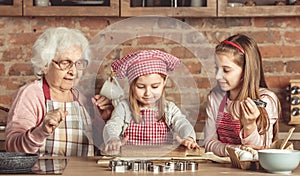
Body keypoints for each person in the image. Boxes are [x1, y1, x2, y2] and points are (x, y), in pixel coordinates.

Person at [5, 27, 113, 156]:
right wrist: (41, 131)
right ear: (45, 65)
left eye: (78, 63)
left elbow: (93, 148)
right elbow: (12, 148)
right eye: (65, 62)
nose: (73, 71)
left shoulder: (81, 99)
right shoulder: (31, 94)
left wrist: (103, 121)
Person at [102, 50, 199, 153]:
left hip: (162, 164)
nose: (148, 93)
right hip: (131, 163)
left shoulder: (169, 109)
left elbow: (183, 124)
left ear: (164, 82)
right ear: (132, 85)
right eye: (140, 87)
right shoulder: (124, 108)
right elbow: (112, 125)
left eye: (155, 86)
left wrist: (189, 138)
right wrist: (113, 139)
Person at [204, 34, 281, 157]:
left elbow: (261, 151)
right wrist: (238, 150)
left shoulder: (265, 100)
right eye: (216, 68)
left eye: (226, 70)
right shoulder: (215, 98)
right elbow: (208, 144)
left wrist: (250, 125)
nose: (218, 76)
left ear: (246, 71)